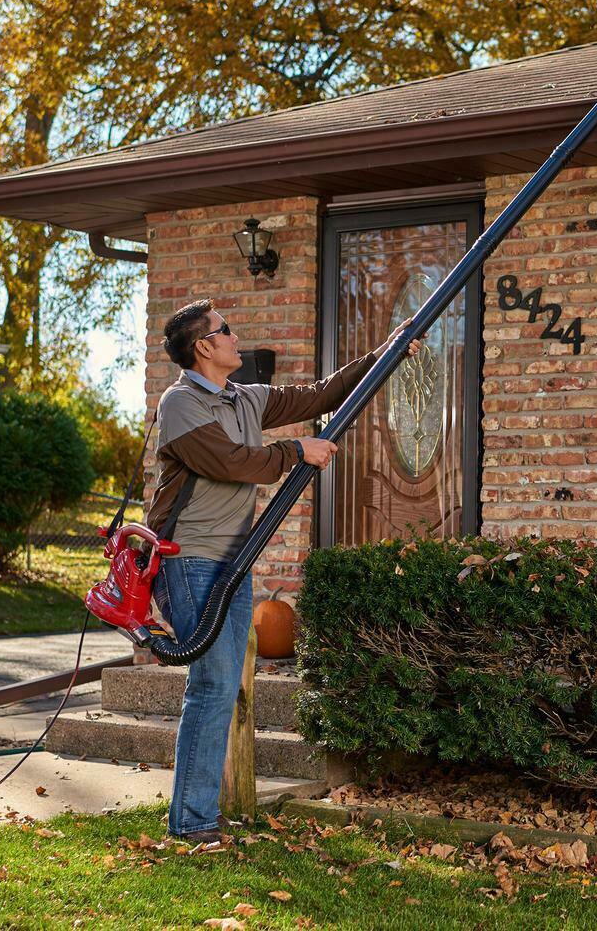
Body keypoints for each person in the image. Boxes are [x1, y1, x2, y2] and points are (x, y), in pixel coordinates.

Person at [147, 297, 421, 841]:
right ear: (204, 346)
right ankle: (192, 822)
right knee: (215, 685)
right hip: (189, 560)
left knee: (220, 686)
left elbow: (320, 394)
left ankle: (196, 817)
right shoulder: (180, 404)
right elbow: (229, 462)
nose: (234, 336)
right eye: (225, 330)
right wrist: (298, 449)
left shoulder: (246, 398)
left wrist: (389, 350)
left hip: (233, 562)